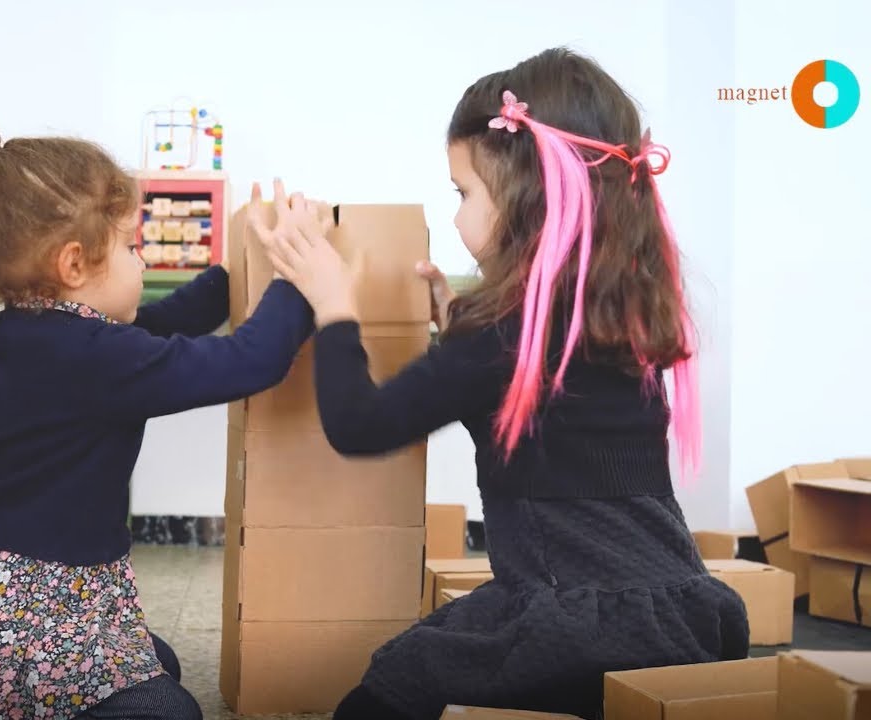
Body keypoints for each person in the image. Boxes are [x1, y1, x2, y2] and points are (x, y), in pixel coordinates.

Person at [257, 48, 749, 720]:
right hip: (678, 614)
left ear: (527, 197)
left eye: (463, 192)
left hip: (582, 632)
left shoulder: (495, 341)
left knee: (385, 688)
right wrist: (454, 318)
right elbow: (541, 403)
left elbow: (359, 424)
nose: (455, 216)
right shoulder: (617, 321)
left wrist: (332, 301)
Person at [0, 117, 320, 719]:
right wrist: (297, 279)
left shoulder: (47, 335)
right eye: (131, 246)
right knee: (169, 712)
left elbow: (164, 323)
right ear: (74, 265)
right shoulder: (94, 355)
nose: (141, 260)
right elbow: (247, 362)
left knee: (158, 662)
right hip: (23, 604)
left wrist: (237, 273)